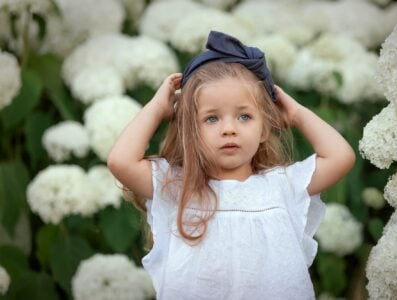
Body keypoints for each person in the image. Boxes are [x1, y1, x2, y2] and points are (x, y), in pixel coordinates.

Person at [107, 31, 355, 300]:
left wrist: (296, 113)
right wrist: (157, 107)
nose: (229, 129)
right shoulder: (178, 187)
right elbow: (121, 161)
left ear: (264, 129)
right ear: (191, 130)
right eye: (212, 119)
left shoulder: (281, 185)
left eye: (244, 116)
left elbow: (340, 157)